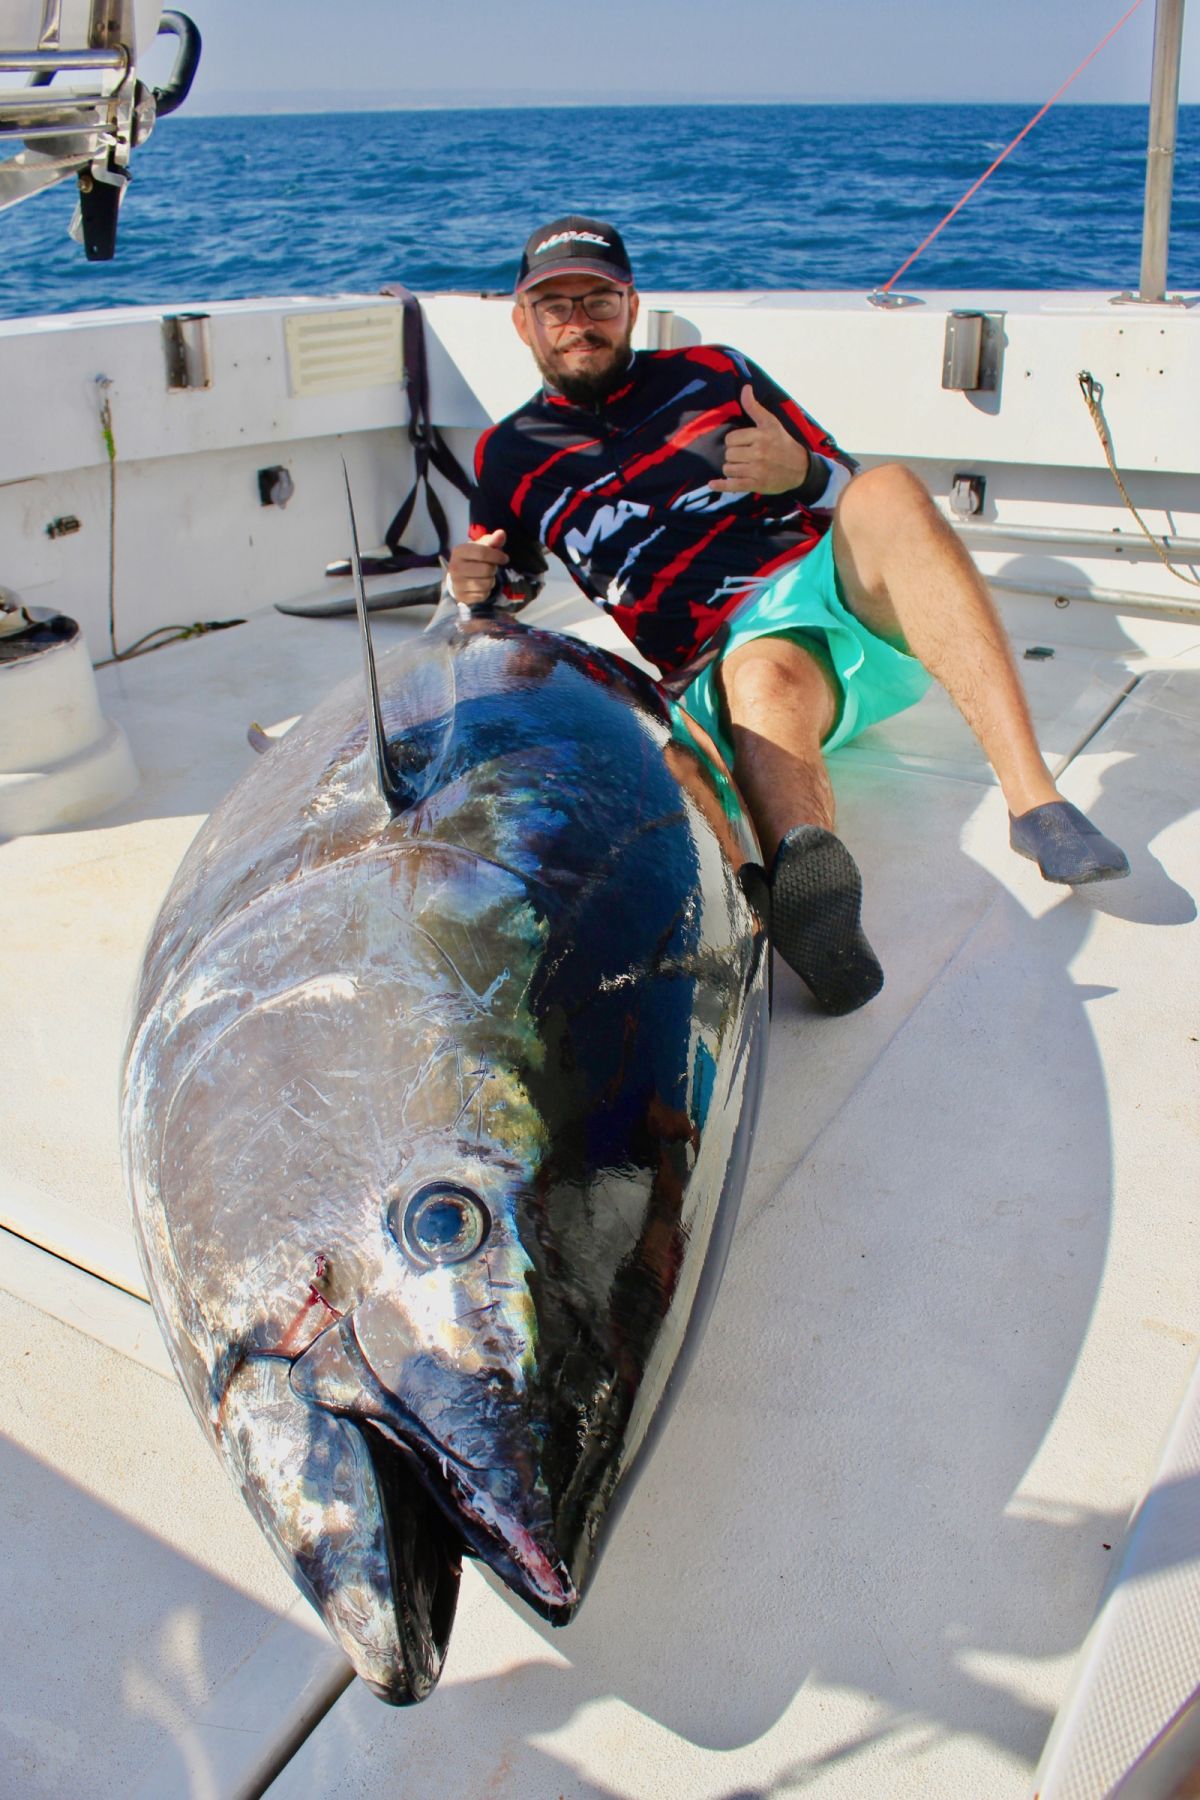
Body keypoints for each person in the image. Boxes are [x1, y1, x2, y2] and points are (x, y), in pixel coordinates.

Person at [447, 214, 1129, 1014]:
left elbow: (842, 479)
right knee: (761, 673)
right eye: (555, 305)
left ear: (632, 306)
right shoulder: (509, 454)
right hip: (723, 659)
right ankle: (808, 902)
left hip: (825, 590)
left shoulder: (713, 373)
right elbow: (509, 593)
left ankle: (1035, 800)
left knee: (890, 489)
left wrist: (799, 471)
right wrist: (477, 581)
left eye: (598, 300)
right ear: (522, 320)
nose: (578, 323)